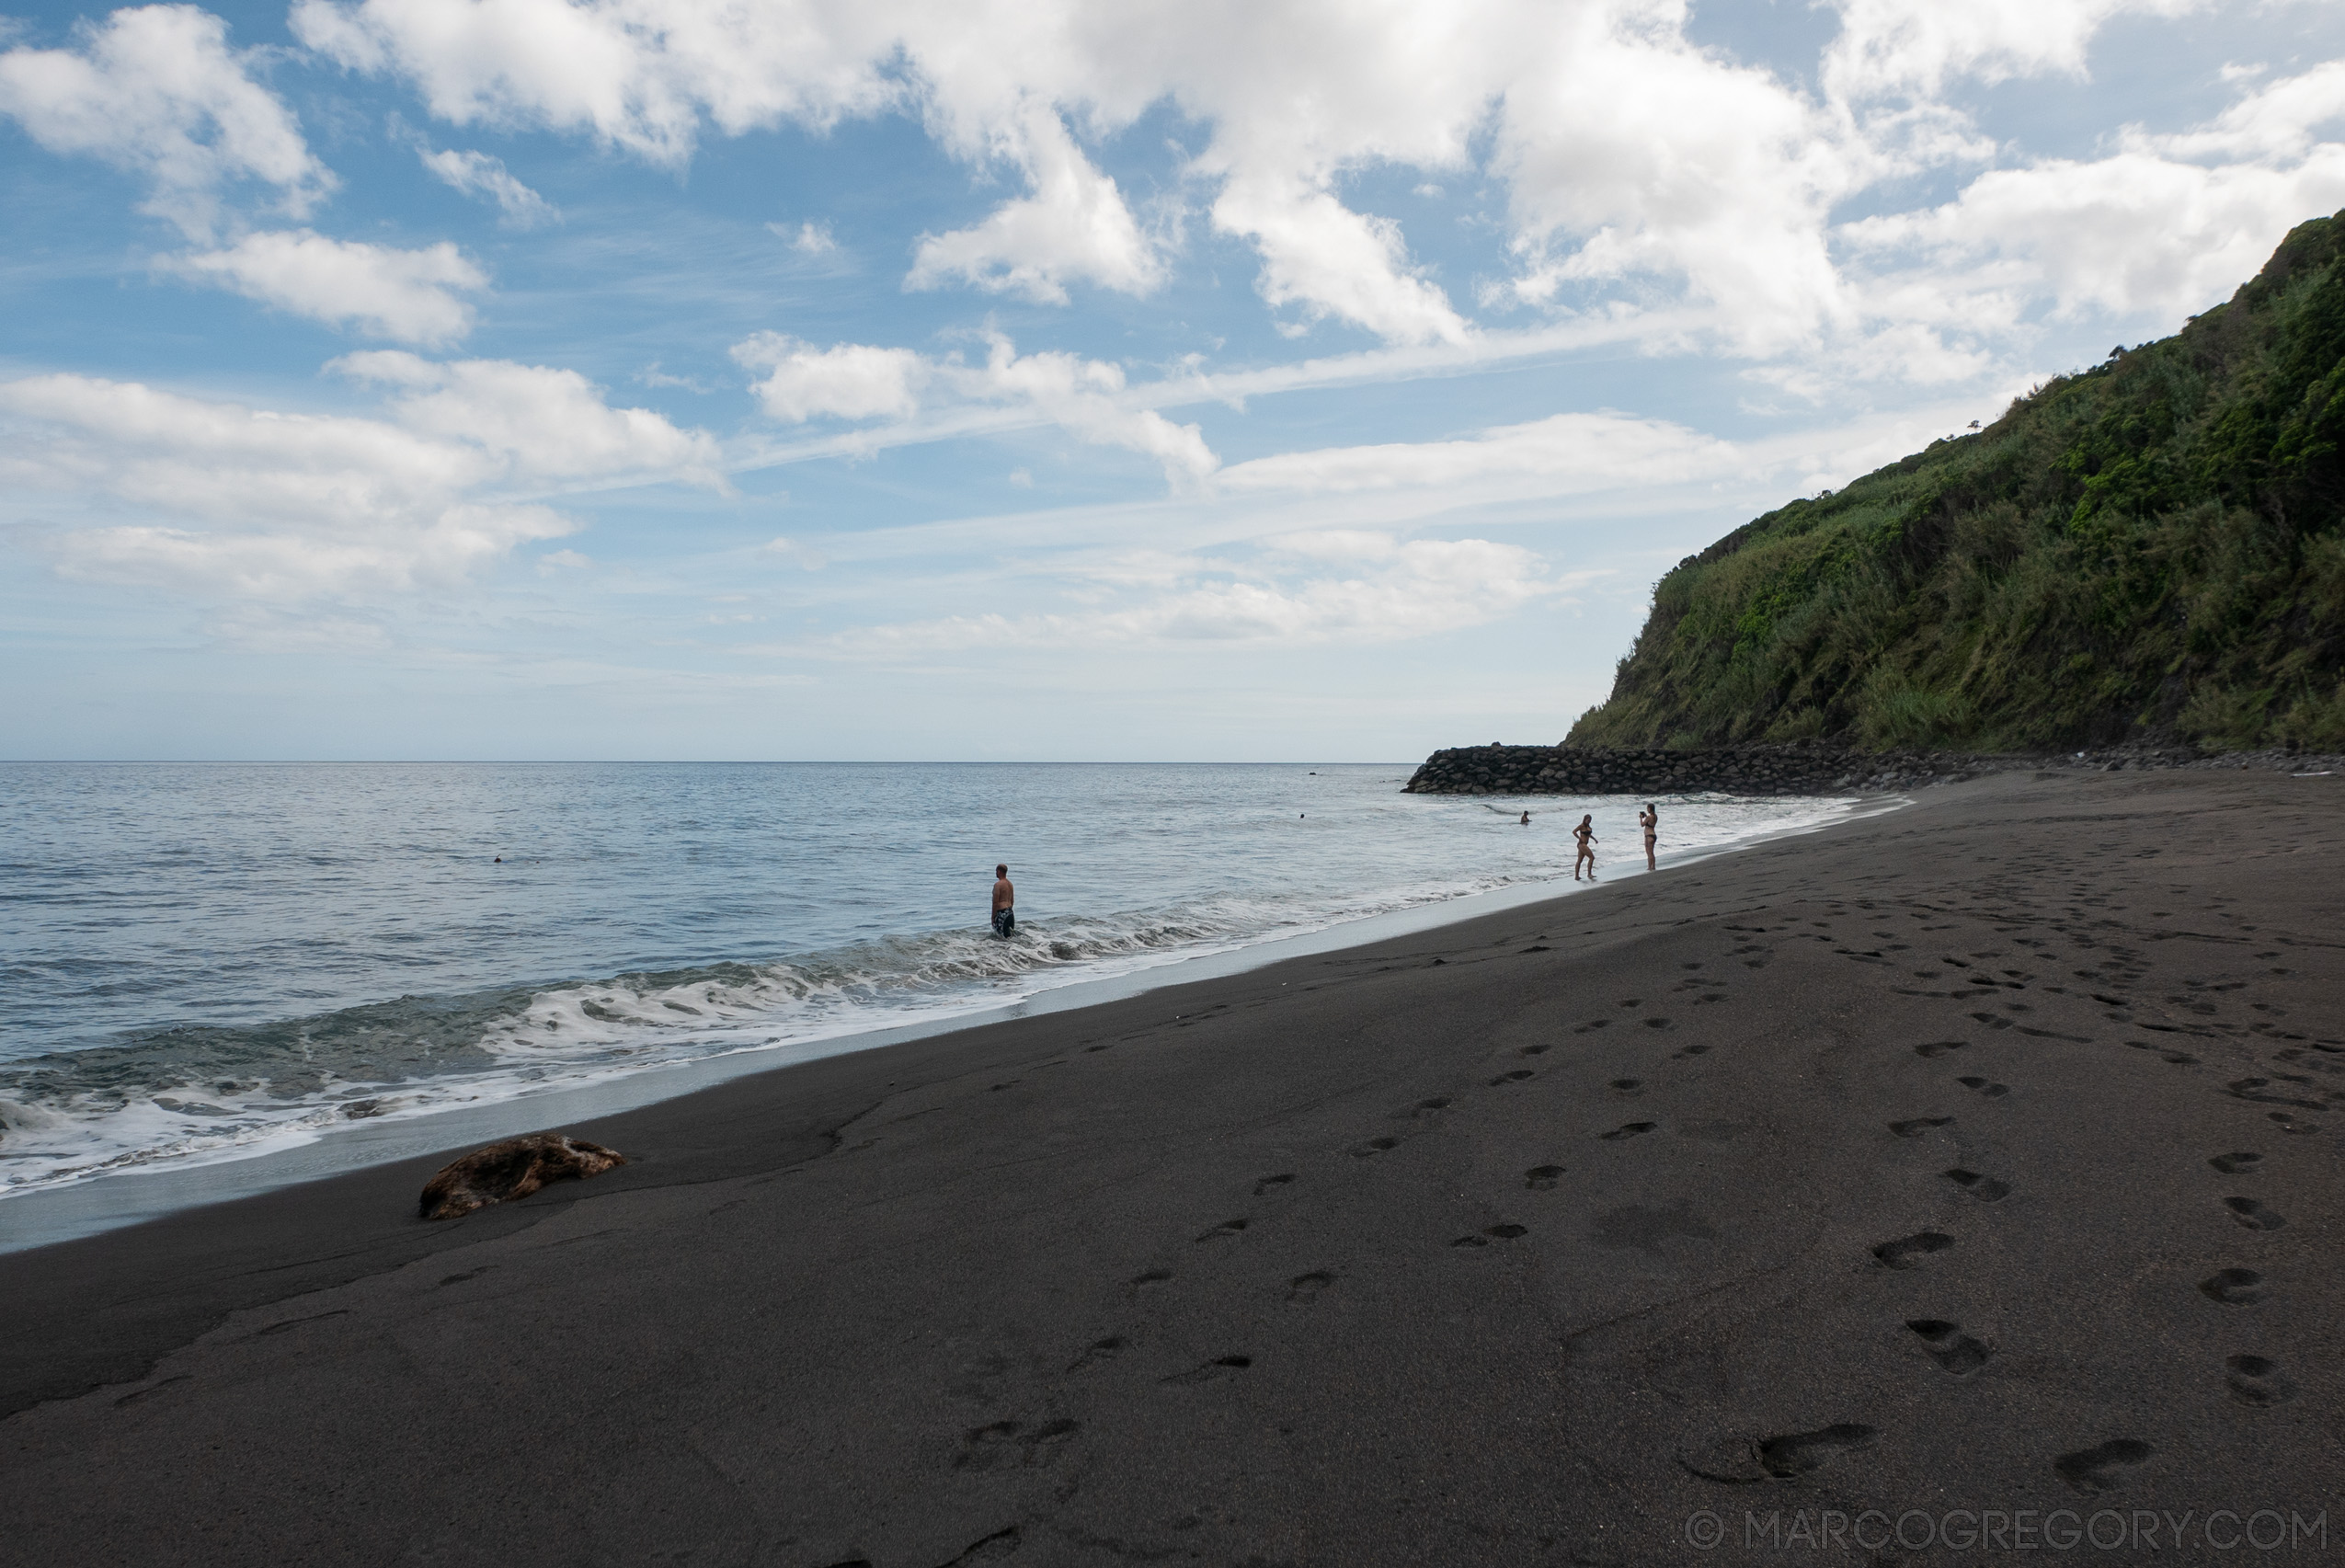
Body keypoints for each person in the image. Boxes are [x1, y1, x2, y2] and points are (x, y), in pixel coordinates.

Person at [990, 863, 1016, 938]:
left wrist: (993, 917)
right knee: (1010, 937)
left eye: (996, 871)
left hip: (1002, 913)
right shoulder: (1010, 884)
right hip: (1010, 913)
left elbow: (995, 903)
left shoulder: (998, 885)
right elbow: (1012, 900)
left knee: (1001, 937)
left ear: (999, 871)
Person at [1573, 814, 1597, 880]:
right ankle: (1589, 874)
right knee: (1592, 857)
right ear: (1585, 819)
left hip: (1585, 844)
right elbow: (1574, 831)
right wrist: (1579, 838)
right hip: (1581, 844)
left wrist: (1594, 839)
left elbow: (1589, 835)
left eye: (1590, 820)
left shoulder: (1588, 827)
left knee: (1580, 860)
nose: (1589, 821)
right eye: (1588, 820)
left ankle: (1577, 876)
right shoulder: (1581, 826)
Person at [1640, 802, 1658, 871]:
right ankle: (1653, 866)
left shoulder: (1649, 817)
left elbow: (1642, 824)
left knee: (1649, 852)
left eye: (1647, 808)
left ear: (1649, 809)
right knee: (1652, 852)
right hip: (1653, 835)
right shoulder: (1655, 816)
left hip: (1648, 836)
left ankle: (1649, 867)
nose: (1647, 809)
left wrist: (1641, 818)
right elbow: (1650, 822)